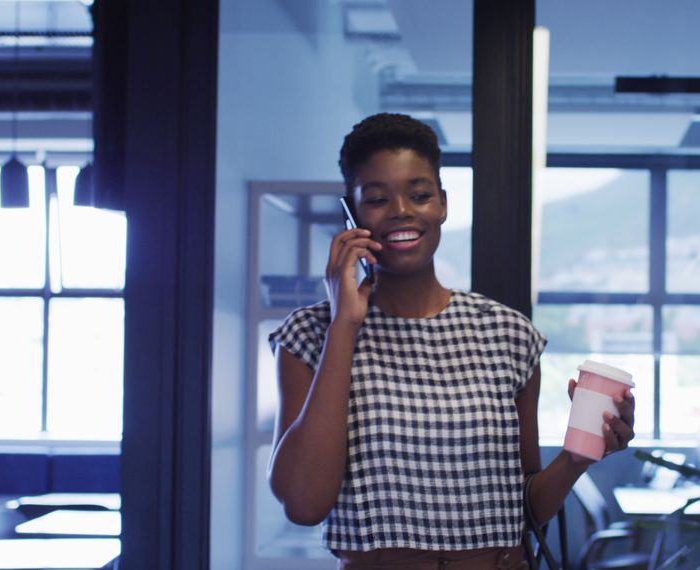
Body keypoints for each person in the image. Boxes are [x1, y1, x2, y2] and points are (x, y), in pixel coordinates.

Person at [267, 113, 635, 569]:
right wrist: (344, 324)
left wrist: (577, 459)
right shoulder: (310, 335)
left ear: (442, 204)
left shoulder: (508, 335)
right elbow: (304, 504)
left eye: (419, 195)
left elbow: (522, 514)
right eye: (378, 198)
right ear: (352, 213)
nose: (401, 209)